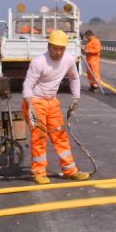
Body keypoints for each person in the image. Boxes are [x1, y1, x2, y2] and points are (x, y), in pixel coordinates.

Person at [22, 29, 90, 185]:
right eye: (55, 48)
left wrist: (76, 97)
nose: (58, 52)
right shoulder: (39, 62)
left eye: (61, 49)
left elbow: (74, 78)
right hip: (35, 102)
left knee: (60, 136)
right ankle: (39, 172)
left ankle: (70, 171)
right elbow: (27, 85)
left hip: (52, 102)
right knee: (39, 137)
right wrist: (30, 105)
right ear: (49, 46)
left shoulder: (68, 60)